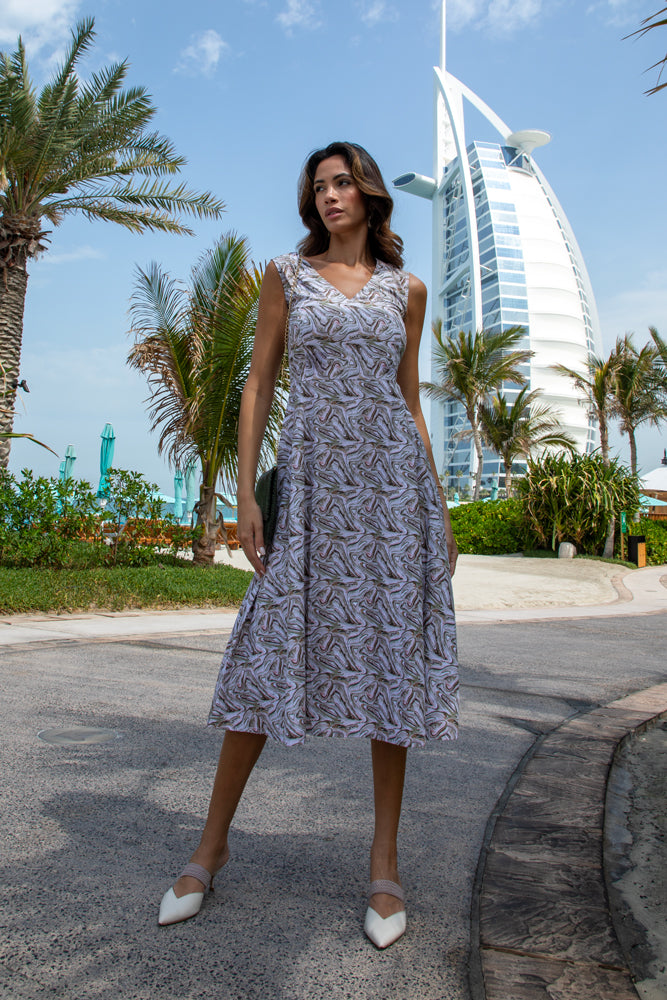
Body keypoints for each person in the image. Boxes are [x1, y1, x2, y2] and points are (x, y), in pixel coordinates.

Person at [158, 141, 459, 949]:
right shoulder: (285, 276)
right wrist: (249, 496)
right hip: (315, 485)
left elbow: (409, 402)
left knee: (391, 663)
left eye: (342, 184)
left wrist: (437, 505)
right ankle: (209, 845)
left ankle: (384, 863)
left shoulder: (408, 289)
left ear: (368, 194)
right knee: (267, 652)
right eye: (317, 187)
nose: (329, 197)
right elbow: (257, 381)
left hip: (394, 491)